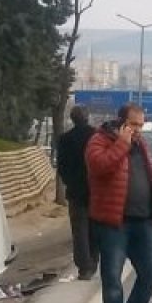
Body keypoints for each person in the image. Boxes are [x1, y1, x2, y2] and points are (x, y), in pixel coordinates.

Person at [85, 103, 152, 303]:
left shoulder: (142, 144)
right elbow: (99, 167)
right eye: (133, 125)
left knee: (150, 272)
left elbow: (150, 175)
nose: (138, 130)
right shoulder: (98, 141)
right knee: (112, 278)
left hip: (142, 221)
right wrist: (121, 143)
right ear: (121, 122)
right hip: (114, 222)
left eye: (141, 125)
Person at [56, 106, 98, 280]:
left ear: (72, 120)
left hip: (75, 191)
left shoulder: (65, 139)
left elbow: (62, 167)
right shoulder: (96, 136)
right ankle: (94, 261)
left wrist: (70, 182)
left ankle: (84, 267)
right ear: (87, 118)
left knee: (79, 230)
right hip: (96, 190)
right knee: (94, 228)